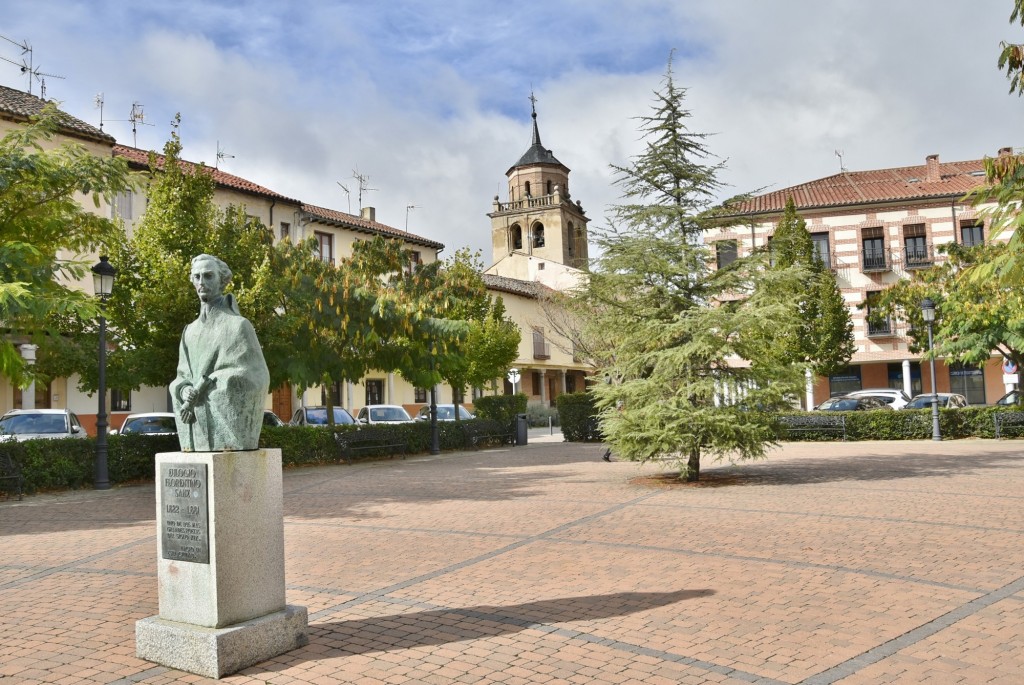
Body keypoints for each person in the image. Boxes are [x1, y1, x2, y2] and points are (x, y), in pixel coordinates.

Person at [170, 254, 270, 451]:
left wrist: (209, 387)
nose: (202, 282)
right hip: (195, 426)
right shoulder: (189, 331)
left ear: (222, 280)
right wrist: (184, 390)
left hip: (222, 431)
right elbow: (181, 376)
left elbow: (256, 376)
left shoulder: (239, 326)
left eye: (208, 276)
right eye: (197, 277)